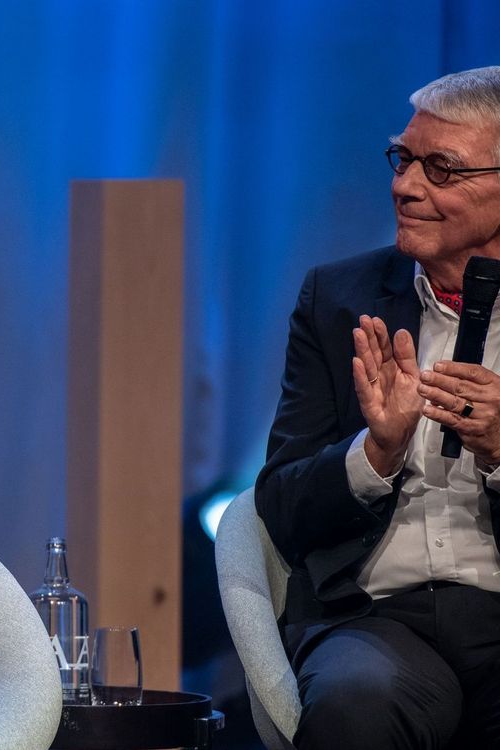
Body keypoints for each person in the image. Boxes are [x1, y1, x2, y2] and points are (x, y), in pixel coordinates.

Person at [257, 65, 500, 749]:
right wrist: (375, 453)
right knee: (355, 703)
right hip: (375, 619)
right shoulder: (339, 299)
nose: (405, 186)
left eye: (441, 169)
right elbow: (280, 505)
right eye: (403, 159)